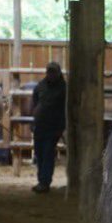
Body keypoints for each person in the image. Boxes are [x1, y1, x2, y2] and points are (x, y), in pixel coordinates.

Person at [31, 61, 67, 193]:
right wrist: (33, 121)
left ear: (58, 73)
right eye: (49, 71)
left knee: (47, 153)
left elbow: (66, 108)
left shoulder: (63, 88)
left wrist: (62, 126)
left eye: (53, 72)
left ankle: (45, 182)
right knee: (39, 153)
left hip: (53, 127)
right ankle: (41, 180)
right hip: (40, 126)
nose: (50, 74)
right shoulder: (40, 86)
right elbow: (35, 104)